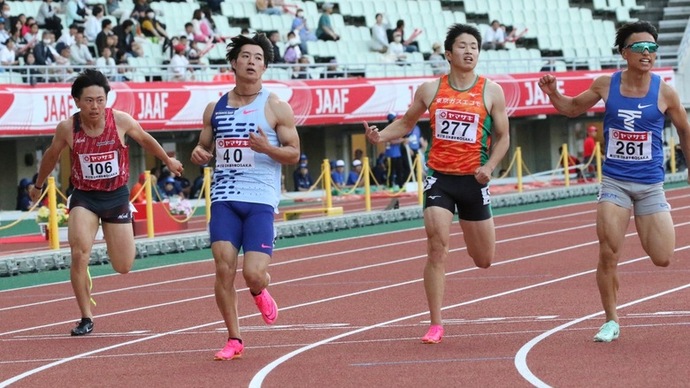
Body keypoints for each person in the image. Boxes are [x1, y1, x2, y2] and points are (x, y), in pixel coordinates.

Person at [537, 20, 690, 343]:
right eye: (640, 48)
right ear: (624, 53)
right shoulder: (606, 85)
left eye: (652, 48)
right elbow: (571, 109)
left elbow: (685, 130)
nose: (647, 53)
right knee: (609, 253)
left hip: (650, 185)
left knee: (663, 257)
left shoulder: (665, 92)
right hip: (615, 184)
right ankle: (611, 319)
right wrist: (553, 93)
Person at [364, 23, 510, 344]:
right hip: (439, 179)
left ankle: (467, 237)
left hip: (474, 181)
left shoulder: (491, 91)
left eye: (474, 46)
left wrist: (489, 166)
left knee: (483, 259)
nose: (469, 51)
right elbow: (405, 123)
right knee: (436, 248)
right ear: (448, 53)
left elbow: (504, 138)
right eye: (462, 45)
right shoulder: (431, 90)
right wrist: (380, 136)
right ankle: (435, 322)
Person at [29, 69, 184, 336]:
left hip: (116, 197)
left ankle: (102, 256)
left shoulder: (120, 121)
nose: (95, 106)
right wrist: (39, 184)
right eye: (89, 100)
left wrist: (168, 161)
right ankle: (85, 317)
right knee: (79, 254)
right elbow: (51, 155)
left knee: (123, 266)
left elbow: (145, 139)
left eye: (100, 100)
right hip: (84, 197)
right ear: (77, 101)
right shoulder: (68, 128)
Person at [190, 33, 300, 361]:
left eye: (258, 58)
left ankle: (258, 289)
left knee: (252, 272)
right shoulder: (216, 108)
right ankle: (234, 338)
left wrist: (267, 148)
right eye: (246, 56)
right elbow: (203, 146)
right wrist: (198, 153)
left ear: (265, 67)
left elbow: (294, 153)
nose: (252, 62)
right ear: (234, 63)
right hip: (224, 197)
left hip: (260, 199)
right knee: (223, 267)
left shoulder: (276, 106)